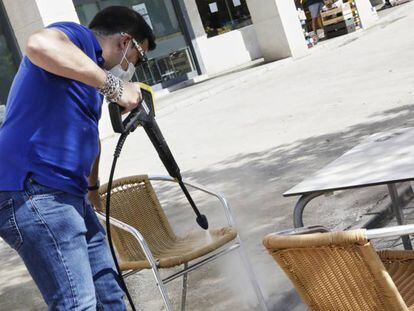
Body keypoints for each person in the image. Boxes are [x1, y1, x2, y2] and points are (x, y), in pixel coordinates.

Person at [0, 6, 156, 310]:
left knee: (109, 296)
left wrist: (93, 189)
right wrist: (115, 87)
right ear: (126, 43)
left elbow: (88, 137)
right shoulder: (80, 40)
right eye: (139, 56)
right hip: (33, 191)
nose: (133, 68)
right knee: (77, 304)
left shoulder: (87, 78)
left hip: (68, 196)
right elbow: (38, 44)